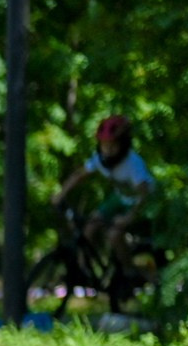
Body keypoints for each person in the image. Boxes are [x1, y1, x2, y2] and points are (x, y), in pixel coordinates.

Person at [52, 115, 153, 272]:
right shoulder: (100, 159)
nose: (108, 150)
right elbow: (79, 175)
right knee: (90, 226)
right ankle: (84, 270)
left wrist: (129, 217)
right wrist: (61, 194)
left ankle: (130, 271)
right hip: (120, 198)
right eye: (104, 145)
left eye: (113, 145)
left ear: (123, 145)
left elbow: (144, 194)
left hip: (140, 203)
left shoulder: (133, 164)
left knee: (114, 235)